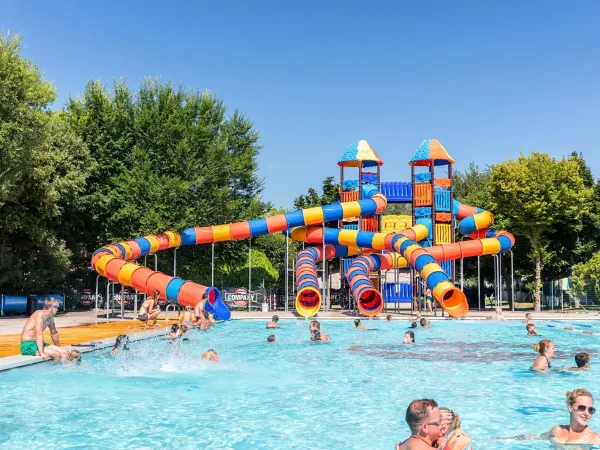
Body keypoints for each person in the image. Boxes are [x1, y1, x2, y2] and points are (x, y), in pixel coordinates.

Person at [496, 389, 600, 445]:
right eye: (582, 408)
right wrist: (507, 438)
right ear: (570, 408)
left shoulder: (594, 438)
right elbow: (538, 437)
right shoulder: (557, 430)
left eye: (591, 410)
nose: (587, 413)